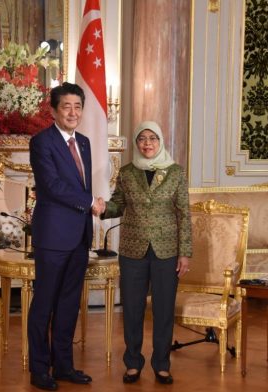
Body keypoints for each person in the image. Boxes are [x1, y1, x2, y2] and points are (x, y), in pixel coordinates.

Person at [98, 120, 192, 385]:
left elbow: (184, 214)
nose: (147, 143)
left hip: (167, 251)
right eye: (142, 139)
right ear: (137, 143)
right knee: (132, 309)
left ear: (160, 142)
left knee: (163, 310)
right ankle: (133, 363)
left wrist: (184, 252)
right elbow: (118, 204)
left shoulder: (175, 172)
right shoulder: (127, 172)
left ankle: (161, 364)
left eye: (152, 138)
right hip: (132, 250)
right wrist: (103, 208)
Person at [28, 82, 104, 391]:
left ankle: (64, 366)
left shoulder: (83, 142)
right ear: (54, 110)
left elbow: (79, 185)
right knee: (44, 304)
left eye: (77, 107)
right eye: (66, 107)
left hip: (78, 236)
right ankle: (39, 369)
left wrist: (91, 205)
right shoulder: (41, 142)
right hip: (52, 236)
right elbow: (50, 185)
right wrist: (90, 203)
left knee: (69, 304)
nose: (73, 112)